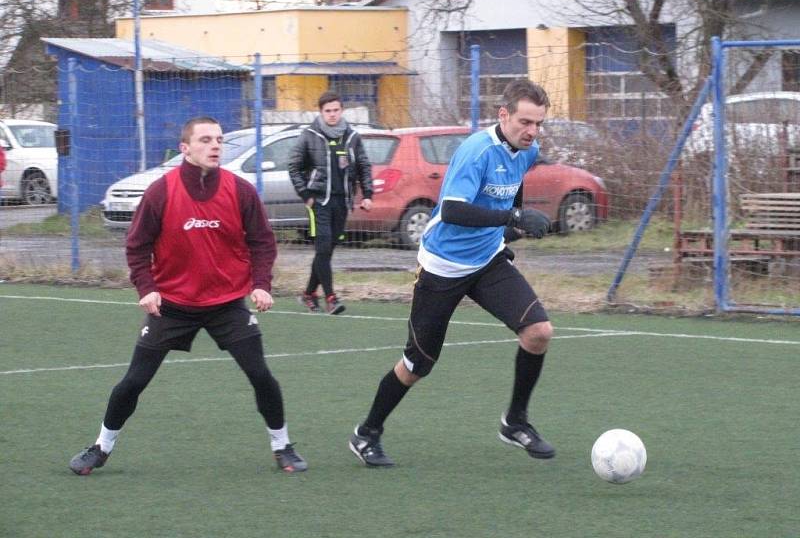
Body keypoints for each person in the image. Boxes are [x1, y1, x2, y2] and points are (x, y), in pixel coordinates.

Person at [69, 116, 307, 475]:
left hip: (226, 305)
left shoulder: (240, 190)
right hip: (173, 307)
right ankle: (101, 447)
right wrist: (146, 289)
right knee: (133, 381)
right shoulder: (161, 191)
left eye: (219, 140)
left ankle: (283, 447)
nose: (215, 146)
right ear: (185, 148)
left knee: (261, 375)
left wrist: (261, 284)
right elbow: (137, 246)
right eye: (206, 140)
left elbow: (262, 242)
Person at [348, 79, 555, 467]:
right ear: (503, 115)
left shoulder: (528, 150)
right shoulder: (475, 152)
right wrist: (512, 216)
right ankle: (367, 433)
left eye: (539, 123)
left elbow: (513, 190)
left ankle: (515, 421)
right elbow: (455, 210)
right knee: (417, 365)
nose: (532, 131)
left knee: (538, 332)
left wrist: (513, 226)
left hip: (487, 260)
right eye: (525, 122)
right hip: (442, 267)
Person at [288, 91, 373, 315]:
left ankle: (308, 294)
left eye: (336, 110)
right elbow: (294, 167)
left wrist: (367, 194)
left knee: (326, 252)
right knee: (323, 248)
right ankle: (331, 298)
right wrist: (305, 194)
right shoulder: (309, 135)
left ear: (341, 110)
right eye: (328, 111)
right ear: (321, 112)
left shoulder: (352, 136)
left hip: (342, 202)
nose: (332, 115)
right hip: (319, 202)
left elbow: (364, 166)